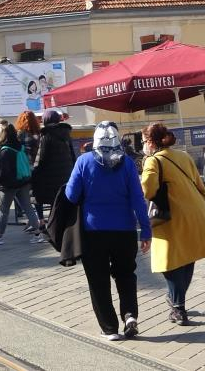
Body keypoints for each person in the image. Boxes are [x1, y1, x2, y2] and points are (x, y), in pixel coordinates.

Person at [66, 121, 152, 341]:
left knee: (98, 280)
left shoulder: (83, 162)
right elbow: (138, 199)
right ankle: (130, 315)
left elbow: (71, 196)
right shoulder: (128, 164)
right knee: (126, 275)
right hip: (124, 231)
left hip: (93, 232)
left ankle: (109, 328)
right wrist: (146, 231)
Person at [140, 123, 205, 326]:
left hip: (172, 216)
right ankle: (176, 301)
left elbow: (147, 190)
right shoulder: (183, 155)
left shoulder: (153, 161)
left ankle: (178, 308)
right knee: (187, 257)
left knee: (170, 263)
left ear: (150, 142)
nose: (143, 146)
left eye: (143, 141)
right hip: (196, 211)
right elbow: (200, 185)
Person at [0, 125, 45, 245]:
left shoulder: (5, 151)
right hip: (23, 182)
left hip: (9, 186)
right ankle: (38, 234)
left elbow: (3, 172)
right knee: (28, 208)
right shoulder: (21, 147)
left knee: (4, 211)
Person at [31, 109, 75, 223]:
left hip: (50, 177)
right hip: (66, 175)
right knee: (58, 203)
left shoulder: (47, 136)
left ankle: (45, 223)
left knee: (38, 195)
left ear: (45, 120)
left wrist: (34, 172)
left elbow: (42, 159)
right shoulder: (66, 134)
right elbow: (73, 155)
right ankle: (56, 224)